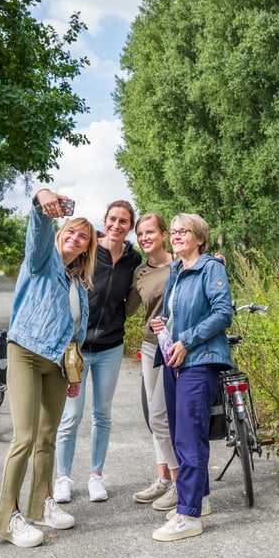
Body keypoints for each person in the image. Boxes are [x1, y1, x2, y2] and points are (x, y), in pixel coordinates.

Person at [0, 188, 96, 548]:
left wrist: (74, 375)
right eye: (71, 231)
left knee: (48, 437)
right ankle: (8, 519)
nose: (75, 238)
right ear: (60, 234)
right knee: (24, 438)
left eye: (83, 236)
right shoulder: (42, 259)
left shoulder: (78, 285)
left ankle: (40, 505)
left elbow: (76, 334)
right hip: (25, 352)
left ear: (86, 248)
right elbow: (37, 228)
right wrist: (41, 200)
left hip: (57, 364)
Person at [150, 213, 232, 542]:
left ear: (200, 238)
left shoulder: (211, 267)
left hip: (199, 360)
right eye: (174, 232)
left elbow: (223, 313)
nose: (177, 236)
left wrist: (187, 340)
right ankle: (201, 498)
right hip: (175, 358)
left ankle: (188, 516)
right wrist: (165, 325)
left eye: (185, 232)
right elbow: (177, 312)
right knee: (178, 433)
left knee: (188, 437)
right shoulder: (177, 269)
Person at [53, 200, 142, 503]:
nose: (117, 226)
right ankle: (63, 477)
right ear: (105, 221)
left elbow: (154, 275)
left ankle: (96, 476)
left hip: (110, 348)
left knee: (102, 414)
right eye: (113, 220)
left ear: (130, 226)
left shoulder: (133, 259)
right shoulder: (89, 251)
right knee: (71, 416)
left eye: (124, 222)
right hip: (76, 349)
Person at [125, 213, 179, 510]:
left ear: (164, 234)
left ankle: (179, 480)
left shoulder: (182, 262)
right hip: (150, 347)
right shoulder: (140, 272)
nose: (145, 238)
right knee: (155, 417)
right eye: (140, 234)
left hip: (181, 347)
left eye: (150, 232)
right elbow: (127, 308)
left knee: (163, 416)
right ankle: (164, 480)